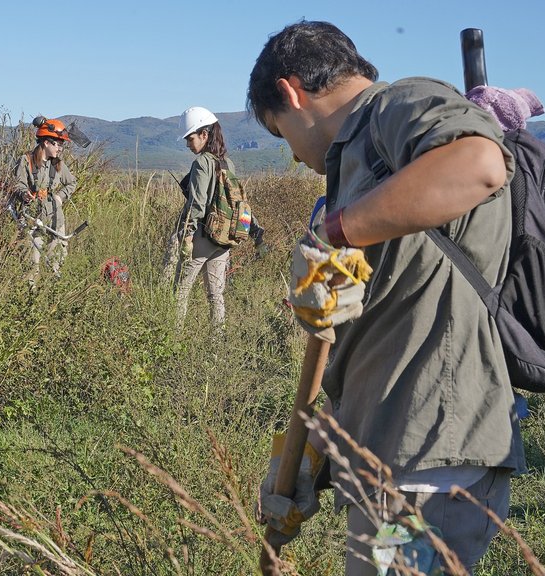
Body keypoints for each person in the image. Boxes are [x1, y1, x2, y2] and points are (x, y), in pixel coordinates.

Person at [249, 21, 522, 573]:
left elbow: (480, 164)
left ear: (290, 92)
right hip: (398, 464)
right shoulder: (359, 161)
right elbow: (387, 336)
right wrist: (309, 457)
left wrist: (337, 233)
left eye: (281, 134)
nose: (294, 157)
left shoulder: (395, 106)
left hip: (427, 470)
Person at [172, 106, 234, 327]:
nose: (188, 144)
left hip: (202, 236)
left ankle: (173, 338)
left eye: (190, 139)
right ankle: (217, 342)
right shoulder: (227, 163)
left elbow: (197, 204)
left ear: (204, 135)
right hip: (223, 238)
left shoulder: (201, 163)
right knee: (215, 295)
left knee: (180, 290)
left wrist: (187, 234)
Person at [12, 117, 77, 284]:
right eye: (58, 144)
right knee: (31, 265)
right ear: (47, 142)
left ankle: (53, 294)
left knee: (56, 263)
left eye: (62, 145)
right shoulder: (26, 160)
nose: (60, 149)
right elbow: (17, 184)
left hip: (56, 220)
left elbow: (72, 183)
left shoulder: (58, 164)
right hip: (32, 219)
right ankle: (31, 295)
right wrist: (24, 194)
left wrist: (60, 196)